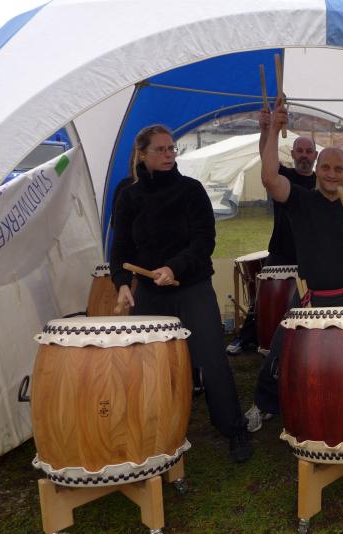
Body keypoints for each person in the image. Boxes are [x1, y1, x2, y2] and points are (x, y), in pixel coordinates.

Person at [251, 100, 343, 431]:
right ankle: (263, 404)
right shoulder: (300, 200)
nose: (331, 174)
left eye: (338, 169)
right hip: (309, 297)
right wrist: (273, 130)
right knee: (279, 353)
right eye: (326, 168)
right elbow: (270, 176)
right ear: (317, 169)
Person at [111, 124, 252, 462]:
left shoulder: (191, 190)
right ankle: (152, 431)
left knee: (212, 360)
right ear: (142, 154)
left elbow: (204, 241)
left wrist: (174, 268)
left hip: (192, 286)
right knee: (147, 363)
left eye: (171, 148)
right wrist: (122, 284)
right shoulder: (128, 196)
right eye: (160, 149)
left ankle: (233, 428)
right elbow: (120, 249)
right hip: (150, 292)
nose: (168, 154)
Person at [226, 111, 317, 356]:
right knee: (263, 299)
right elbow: (266, 158)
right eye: (300, 151)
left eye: (309, 151)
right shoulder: (283, 176)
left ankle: (307, 339)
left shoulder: (321, 183)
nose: (304, 155)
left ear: (315, 155)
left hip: (311, 253)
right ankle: (248, 336)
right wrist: (266, 131)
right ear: (293, 154)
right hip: (281, 250)